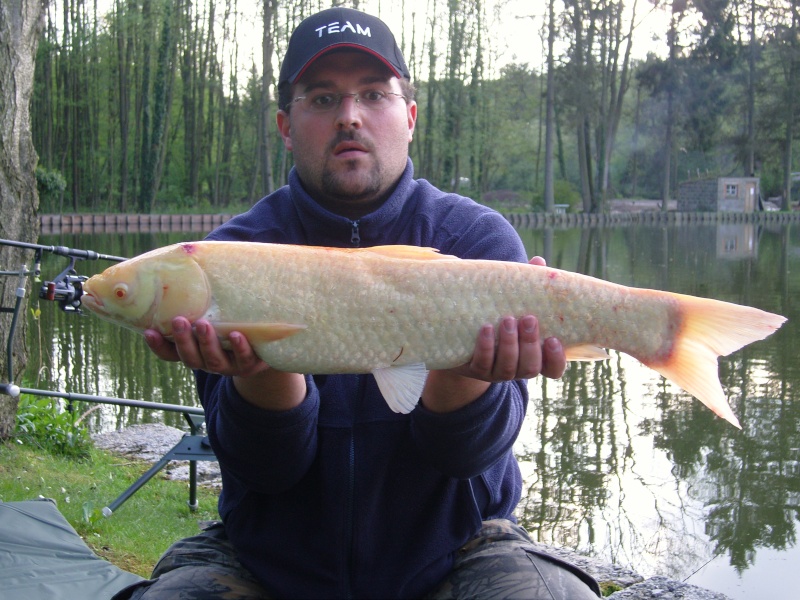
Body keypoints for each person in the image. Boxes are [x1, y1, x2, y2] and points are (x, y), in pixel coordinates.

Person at [114, 7, 601, 599]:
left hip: (458, 549)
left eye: (374, 94)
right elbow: (264, 471)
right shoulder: (230, 257)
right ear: (286, 126)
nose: (350, 116)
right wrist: (262, 372)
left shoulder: (476, 244)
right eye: (322, 99)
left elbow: (466, 458)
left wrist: (463, 374)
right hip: (269, 556)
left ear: (410, 115)